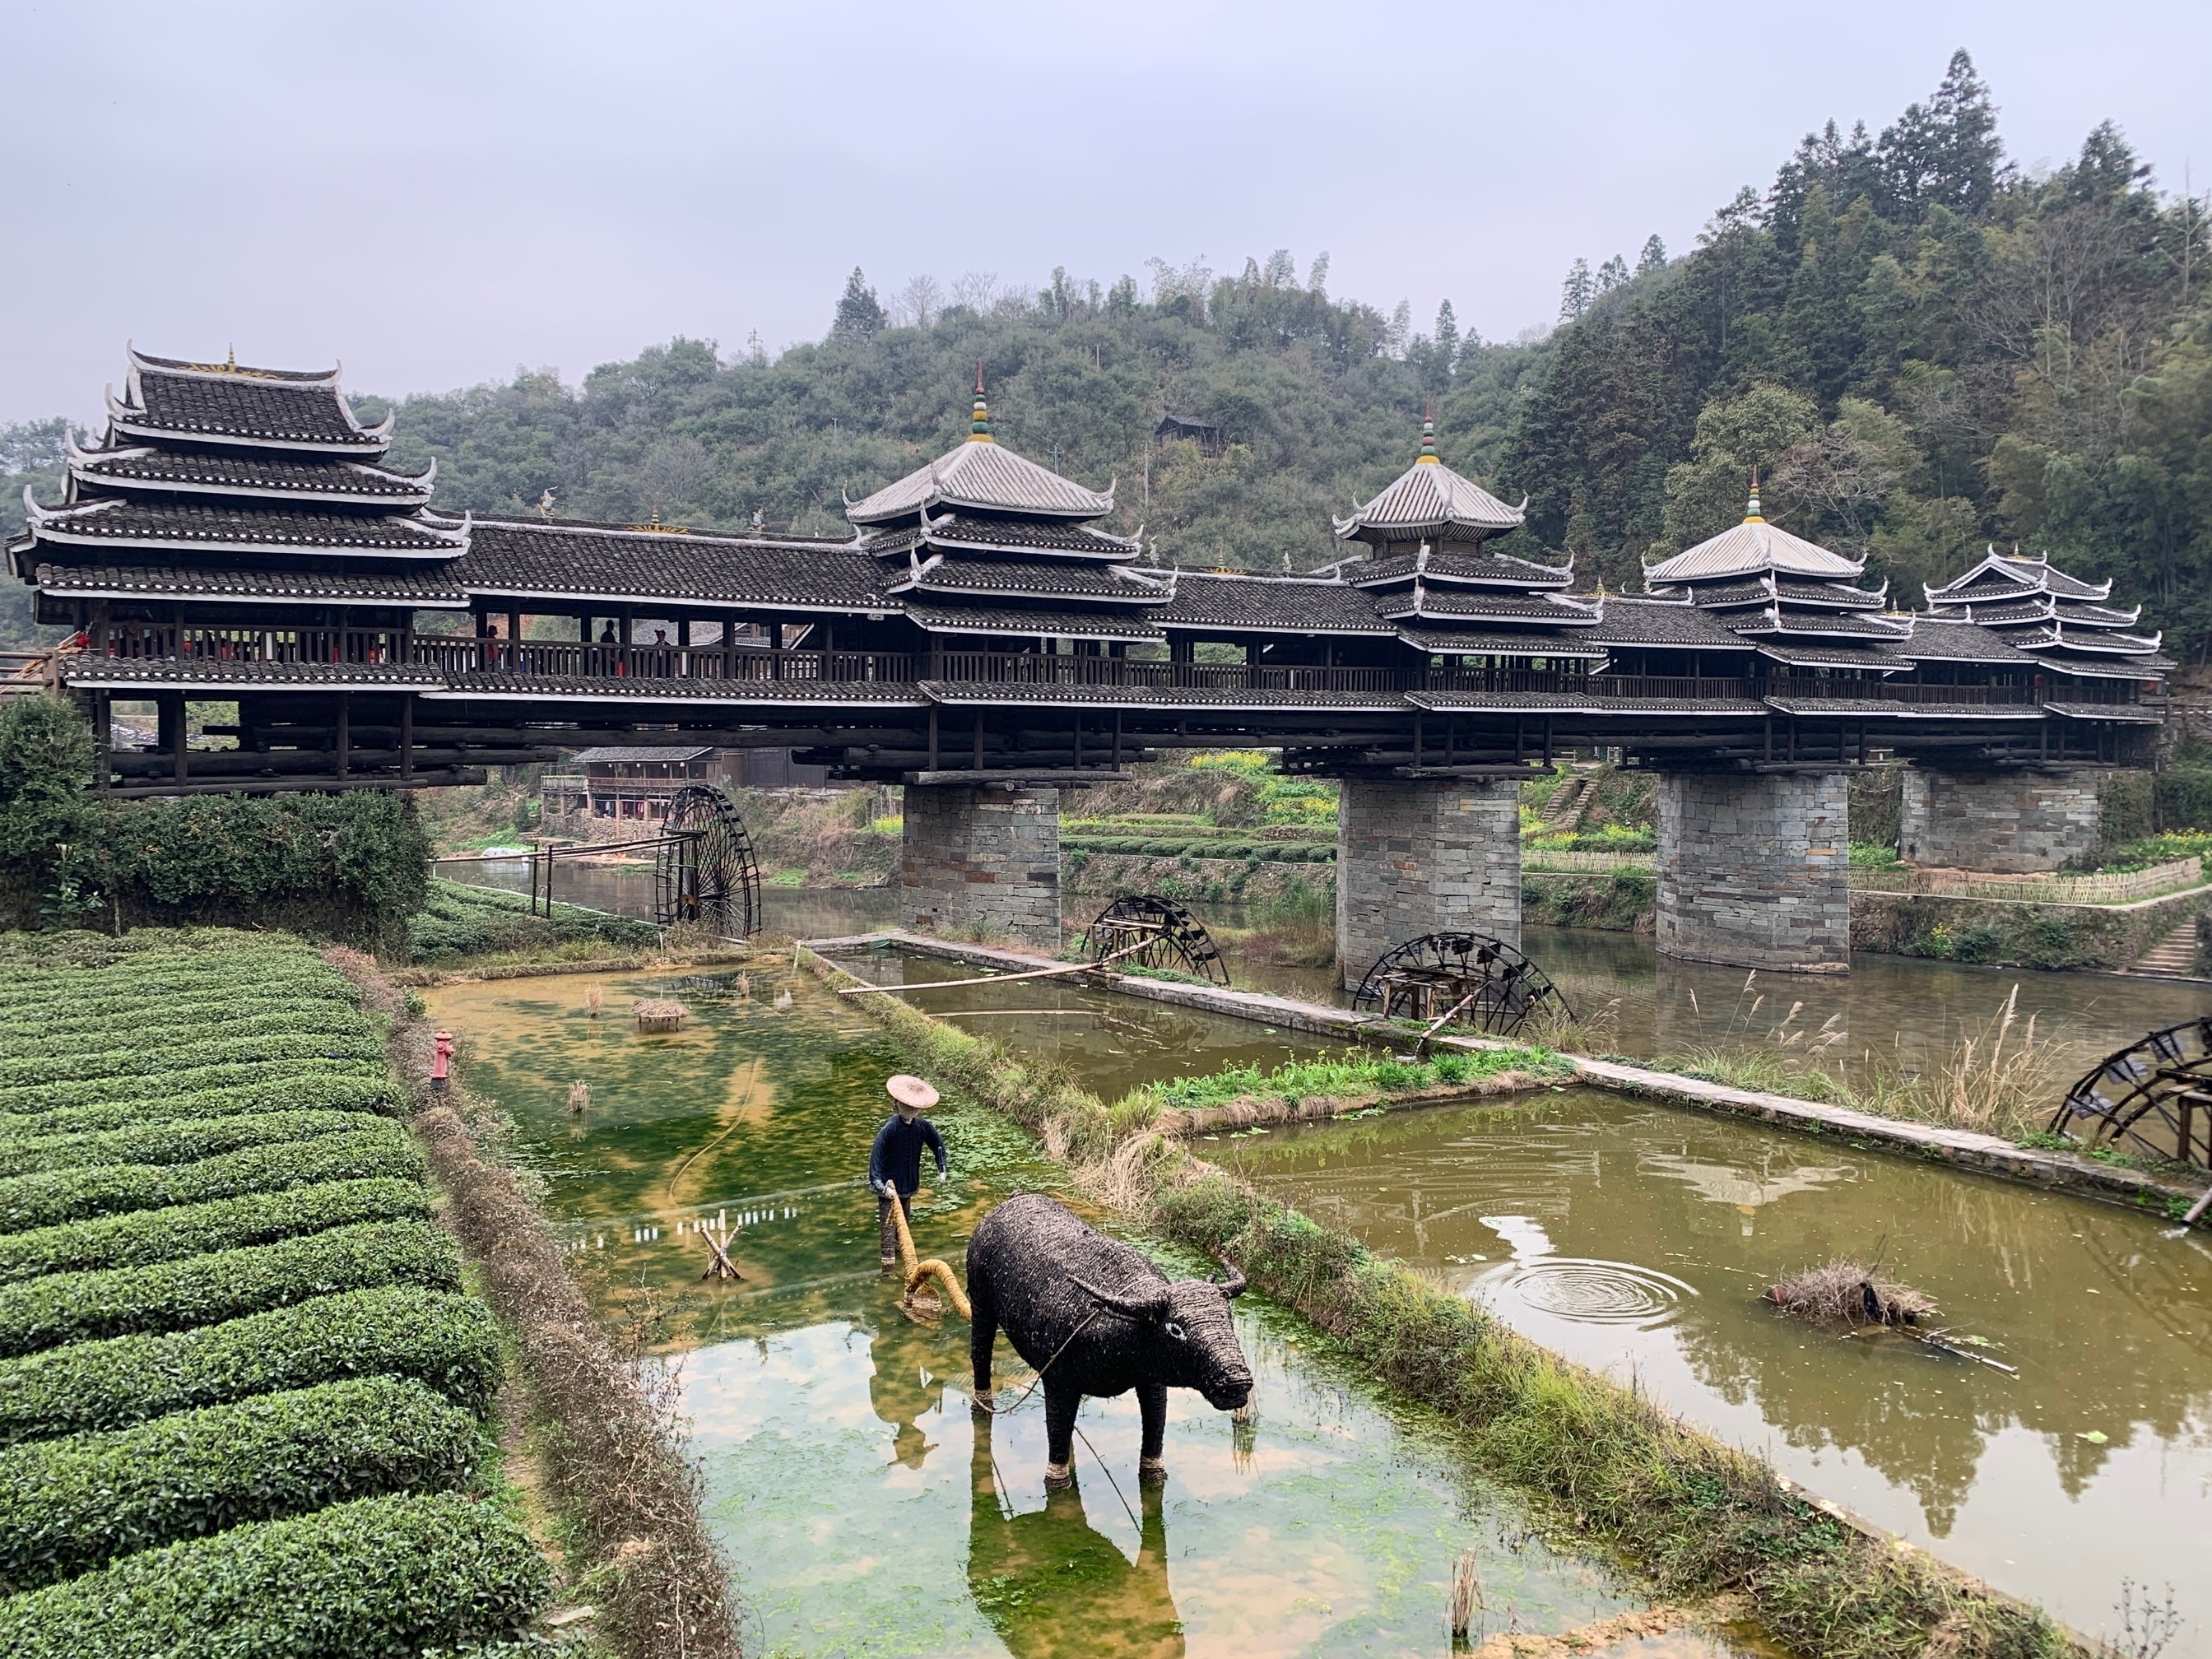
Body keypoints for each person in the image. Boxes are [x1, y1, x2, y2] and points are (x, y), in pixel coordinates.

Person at [869, 1074, 946, 1273]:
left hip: (908, 1185)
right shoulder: (890, 1129)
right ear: (897, 1104)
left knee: (904, 1227)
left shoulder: (923, 1128)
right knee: (888, 1228)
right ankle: (888, 1270)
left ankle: (903, 1260)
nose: (911, 1109)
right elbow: (875, 1160)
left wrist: (942, 1169)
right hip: (889, 1188)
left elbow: (938, 1145)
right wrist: (880, 1185)